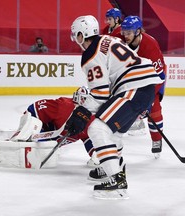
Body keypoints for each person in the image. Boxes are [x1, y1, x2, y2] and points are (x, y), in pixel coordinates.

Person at [69, 15, 163, 199]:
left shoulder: (90, 55)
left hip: (133, 88)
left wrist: (81, 112)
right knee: (113, 132)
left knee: (97, 128)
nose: (75, 39)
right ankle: (111, 167)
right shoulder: (108, 39)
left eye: (76, 35)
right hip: (142, 88)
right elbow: (106, 91)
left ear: (82, 34)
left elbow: (100, 94)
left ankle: (116, 179)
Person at [121, 16, 166, 159]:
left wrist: (148, 101)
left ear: (138, 31)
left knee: (154, 108)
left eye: (129, 32)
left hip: (153, 79)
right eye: (124, 32)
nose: (125, 35)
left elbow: (159, 76)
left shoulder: (150, 45)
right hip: (131, 77)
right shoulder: (120, 40)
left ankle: (157, 139)